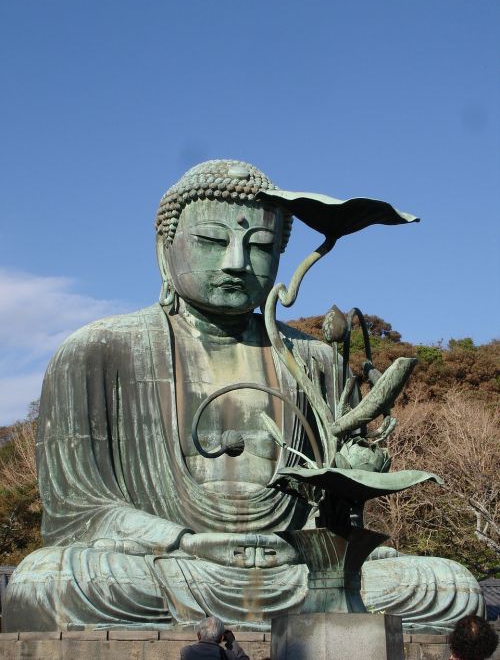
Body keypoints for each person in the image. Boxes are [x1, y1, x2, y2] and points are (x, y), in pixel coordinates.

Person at [3, 159, 484, 632]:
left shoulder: (316, 360)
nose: (236, 262)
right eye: (213, 241)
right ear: (163, 250)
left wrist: (358, 469)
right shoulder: (97, 351)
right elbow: (79, 512)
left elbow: (339, 508)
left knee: (450, 587)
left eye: (260, 247)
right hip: (170, 566)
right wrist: (184, 542)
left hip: (297, 570)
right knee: (50, 580)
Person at [180, 616, 249, 660]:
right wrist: (231, 640)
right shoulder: (226, 655)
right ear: (221, 638)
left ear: (198, 635)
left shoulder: (187, 652)